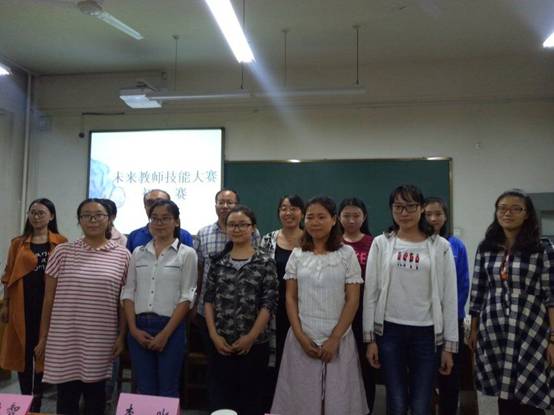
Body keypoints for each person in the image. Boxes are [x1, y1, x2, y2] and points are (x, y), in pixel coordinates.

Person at [363, 185, 458, 415]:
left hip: (426, 333)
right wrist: (370, 339)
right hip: (390, 332)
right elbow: (371, 293)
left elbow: (449, 297)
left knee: (421, 403)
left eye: (410, 207)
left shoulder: (440, 246)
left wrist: (449, 347)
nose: (404, 213)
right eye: (398, 207)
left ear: (421, 208)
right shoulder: (381, 243)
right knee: (395, 401)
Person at [272, 196, 368, 415]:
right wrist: (300, 336)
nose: (315, 222)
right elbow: (290, 298)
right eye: (310, 217)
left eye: (321, 217)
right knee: (301, 400)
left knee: (337, 400)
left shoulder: (346, 254)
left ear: (334, 220)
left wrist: (334, 338)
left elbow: (353, 299)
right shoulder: (298, 254)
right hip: (302, 336)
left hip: (339, 338)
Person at [35, 198, 130, 415]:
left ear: (109, 219)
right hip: (65, 338)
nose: (92, 220)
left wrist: (121, 336)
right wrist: (43, 337)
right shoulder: (62, 252)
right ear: (79, 220)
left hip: (100, 340)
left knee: (96, 399)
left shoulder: (123, 255)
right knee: (66, 399)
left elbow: (124, 301)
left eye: (99, 215)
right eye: (86, 215)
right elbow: (48, 299)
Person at [468, 189, 554, 415]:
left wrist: (553, 339)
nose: (508, 213)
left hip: (531, 330)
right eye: (502, 208)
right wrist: (474, 329)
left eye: (516, 209)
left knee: (532, 392)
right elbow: (478, 290)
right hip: (494, 328)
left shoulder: (541, 249)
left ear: (527, 214)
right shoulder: (486, 248)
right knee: (504, 393)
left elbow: (551, 297)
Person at [204, 205, 278, 415]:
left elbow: (269, 302)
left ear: (252, 228)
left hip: (254, 344)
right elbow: (208, 300)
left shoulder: (265, 262)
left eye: (242, 225)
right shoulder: (218, 261)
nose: (237, 229)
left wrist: (251, 337)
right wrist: (214, 335)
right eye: (232, 225)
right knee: (221, 400)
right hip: (221, 342)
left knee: (251, 401)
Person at [121, 199, 197, 397]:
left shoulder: (187, 254)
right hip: (139, 326)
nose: (159, 223)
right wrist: (133, 330)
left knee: (168, 388)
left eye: (165, 218)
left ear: (176, 221)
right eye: (154, 218)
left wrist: (165, 334)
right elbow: (128, 292)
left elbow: (187, 297)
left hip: (171, 327)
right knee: (144, 388)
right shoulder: (138, 253)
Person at [194, 188, 260, 411]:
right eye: (220, 202)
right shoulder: (203, 234)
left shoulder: (255, 237)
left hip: (247, 318)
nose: (224, 206)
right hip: (210, 314)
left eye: (229, 202)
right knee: (217, 372)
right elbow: (199, 272)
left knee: (246, 378)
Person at [0, 198, 67, 412]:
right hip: (22, 305)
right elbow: (8, 276)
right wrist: (6, 304)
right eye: (33, 212)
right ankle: (24, 402)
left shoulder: (61, 242)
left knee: (43, 353)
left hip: (50, 308)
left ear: (51, 216)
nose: (36, 216)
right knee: (23, 353)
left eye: (41, 213)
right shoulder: (17, 243)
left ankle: (37, 403)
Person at [424, 196, 469, 415]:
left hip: (451, 322)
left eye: (438, 214)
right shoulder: (418, 243)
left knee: (449, 377)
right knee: (424, 378)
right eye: (428, 214)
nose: (433, 219)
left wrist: (450, 314)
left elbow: (462, 284)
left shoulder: (456, 245)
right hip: (424, 322)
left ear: (446, 216)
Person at [260, 194, 304, 408]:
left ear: (302, 213)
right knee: (272, 362)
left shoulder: (311, 240)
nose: (288, 213)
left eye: (294, 208)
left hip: (302, 310)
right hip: (272, 311)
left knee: (298, 361)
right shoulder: (267, 240)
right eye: (284, 208)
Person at [338, 197, 375, 414]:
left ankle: (367, 407)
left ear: (364, 217)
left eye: (356, 215)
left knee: (365, 364)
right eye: (346, 215)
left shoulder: (374, 243)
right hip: (337, 311)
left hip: (365, 312)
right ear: (338, 218)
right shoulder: (332, 243)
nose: (351, 220)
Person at [126, 189, 193, 252]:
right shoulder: (134, 236)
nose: (154, 206)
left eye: (160, 202)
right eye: (150, 202)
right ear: (145, 207)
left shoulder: (184, 236)